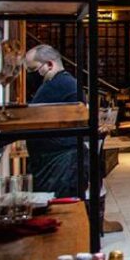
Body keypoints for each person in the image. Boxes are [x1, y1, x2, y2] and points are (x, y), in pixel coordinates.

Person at [24, 45, 83, 197]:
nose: (29, 75)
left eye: (32, 69)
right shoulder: (65, 82)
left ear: (49, 64)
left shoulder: (57, 85)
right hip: (59, 162)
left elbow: (30, 117)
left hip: (60, 165)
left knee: (56, 204)